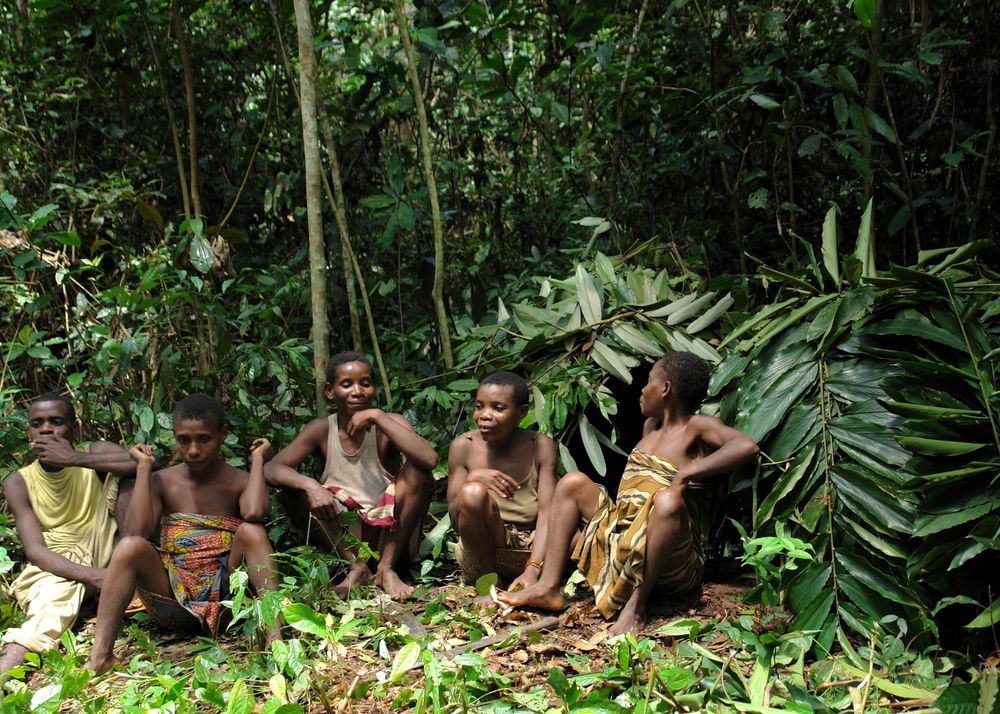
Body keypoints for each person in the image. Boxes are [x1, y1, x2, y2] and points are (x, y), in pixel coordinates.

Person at [498, 352, 759, 636]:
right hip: (622, 543)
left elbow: (745, 446)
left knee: (669, 499)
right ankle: (548, 586)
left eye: (648, 381)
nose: (642, 390)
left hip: (673, 563)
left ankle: (636, 604)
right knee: (573, 481)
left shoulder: (696, 426)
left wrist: (686, 474)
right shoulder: (650, 427)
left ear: (666, 388)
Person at [84, 394, 279, 675]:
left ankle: (273, 638)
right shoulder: (163, 481)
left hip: (228, 603)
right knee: (129, 546)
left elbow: (254, 513)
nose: (193, 450)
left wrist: (258, 462)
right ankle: (100, 656)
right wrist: (143, 469)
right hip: (173, 600)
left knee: (252, 531)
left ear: (223, 434)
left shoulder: (238, 480)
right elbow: (138, 531)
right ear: (174, 437)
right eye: (184, 440)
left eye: (204, 439)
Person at [264, 351, 438, 600]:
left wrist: (378, 417)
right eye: (346, 384)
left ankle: (385, 569)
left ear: (374, 388)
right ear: (329, 391)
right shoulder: (322, 429)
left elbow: (429, 460)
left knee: (418, 473)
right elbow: (271, 469)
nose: (357, 391)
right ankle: (356, 567)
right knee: (293, 492)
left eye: (365, 383)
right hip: (344, 539)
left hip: (394, 540)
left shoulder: (391, 424)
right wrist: (311, 485)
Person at [0, 394, 144, 680]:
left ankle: (136, 583)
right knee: (48, 613)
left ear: (74, 429)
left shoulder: (95, 451)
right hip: (59, 564)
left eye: (56, 422)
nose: (46, 430)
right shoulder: (18, 482)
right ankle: (5, 670)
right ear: (29, 432)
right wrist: (96, 577)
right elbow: (36, 552)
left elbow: (149, 460)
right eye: (37, 424)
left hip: (109, 545)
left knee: (129, 474)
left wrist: (75, 459)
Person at [447, 372, 557, 609]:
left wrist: (532, 569)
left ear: (522, 412)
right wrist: (474, 478)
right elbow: (456, 520)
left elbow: (549, 512)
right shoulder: (462, 446)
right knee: (472, 493)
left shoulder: (540, 446)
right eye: (479, 406)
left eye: (497, 408)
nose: (484, 415)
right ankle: (490, 581)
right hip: (484, 547)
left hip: (530, 546)